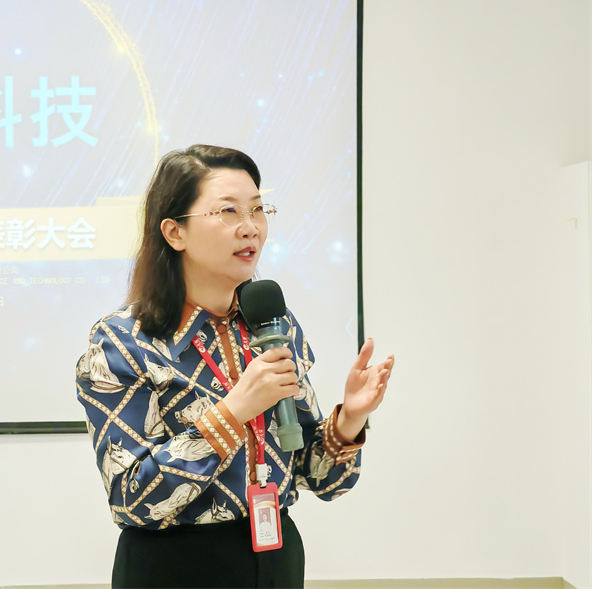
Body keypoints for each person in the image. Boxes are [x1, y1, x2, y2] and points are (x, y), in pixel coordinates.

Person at [76, 144, 394, 588]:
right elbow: (132, 498)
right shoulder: (123, 342)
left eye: (258, 209)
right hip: (176, 566)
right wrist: (234, 411)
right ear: (174, 232)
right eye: (228, 211)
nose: (251, 228)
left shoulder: (274, 324)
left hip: (276, 557)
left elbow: (320, 478)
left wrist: (349, 420)